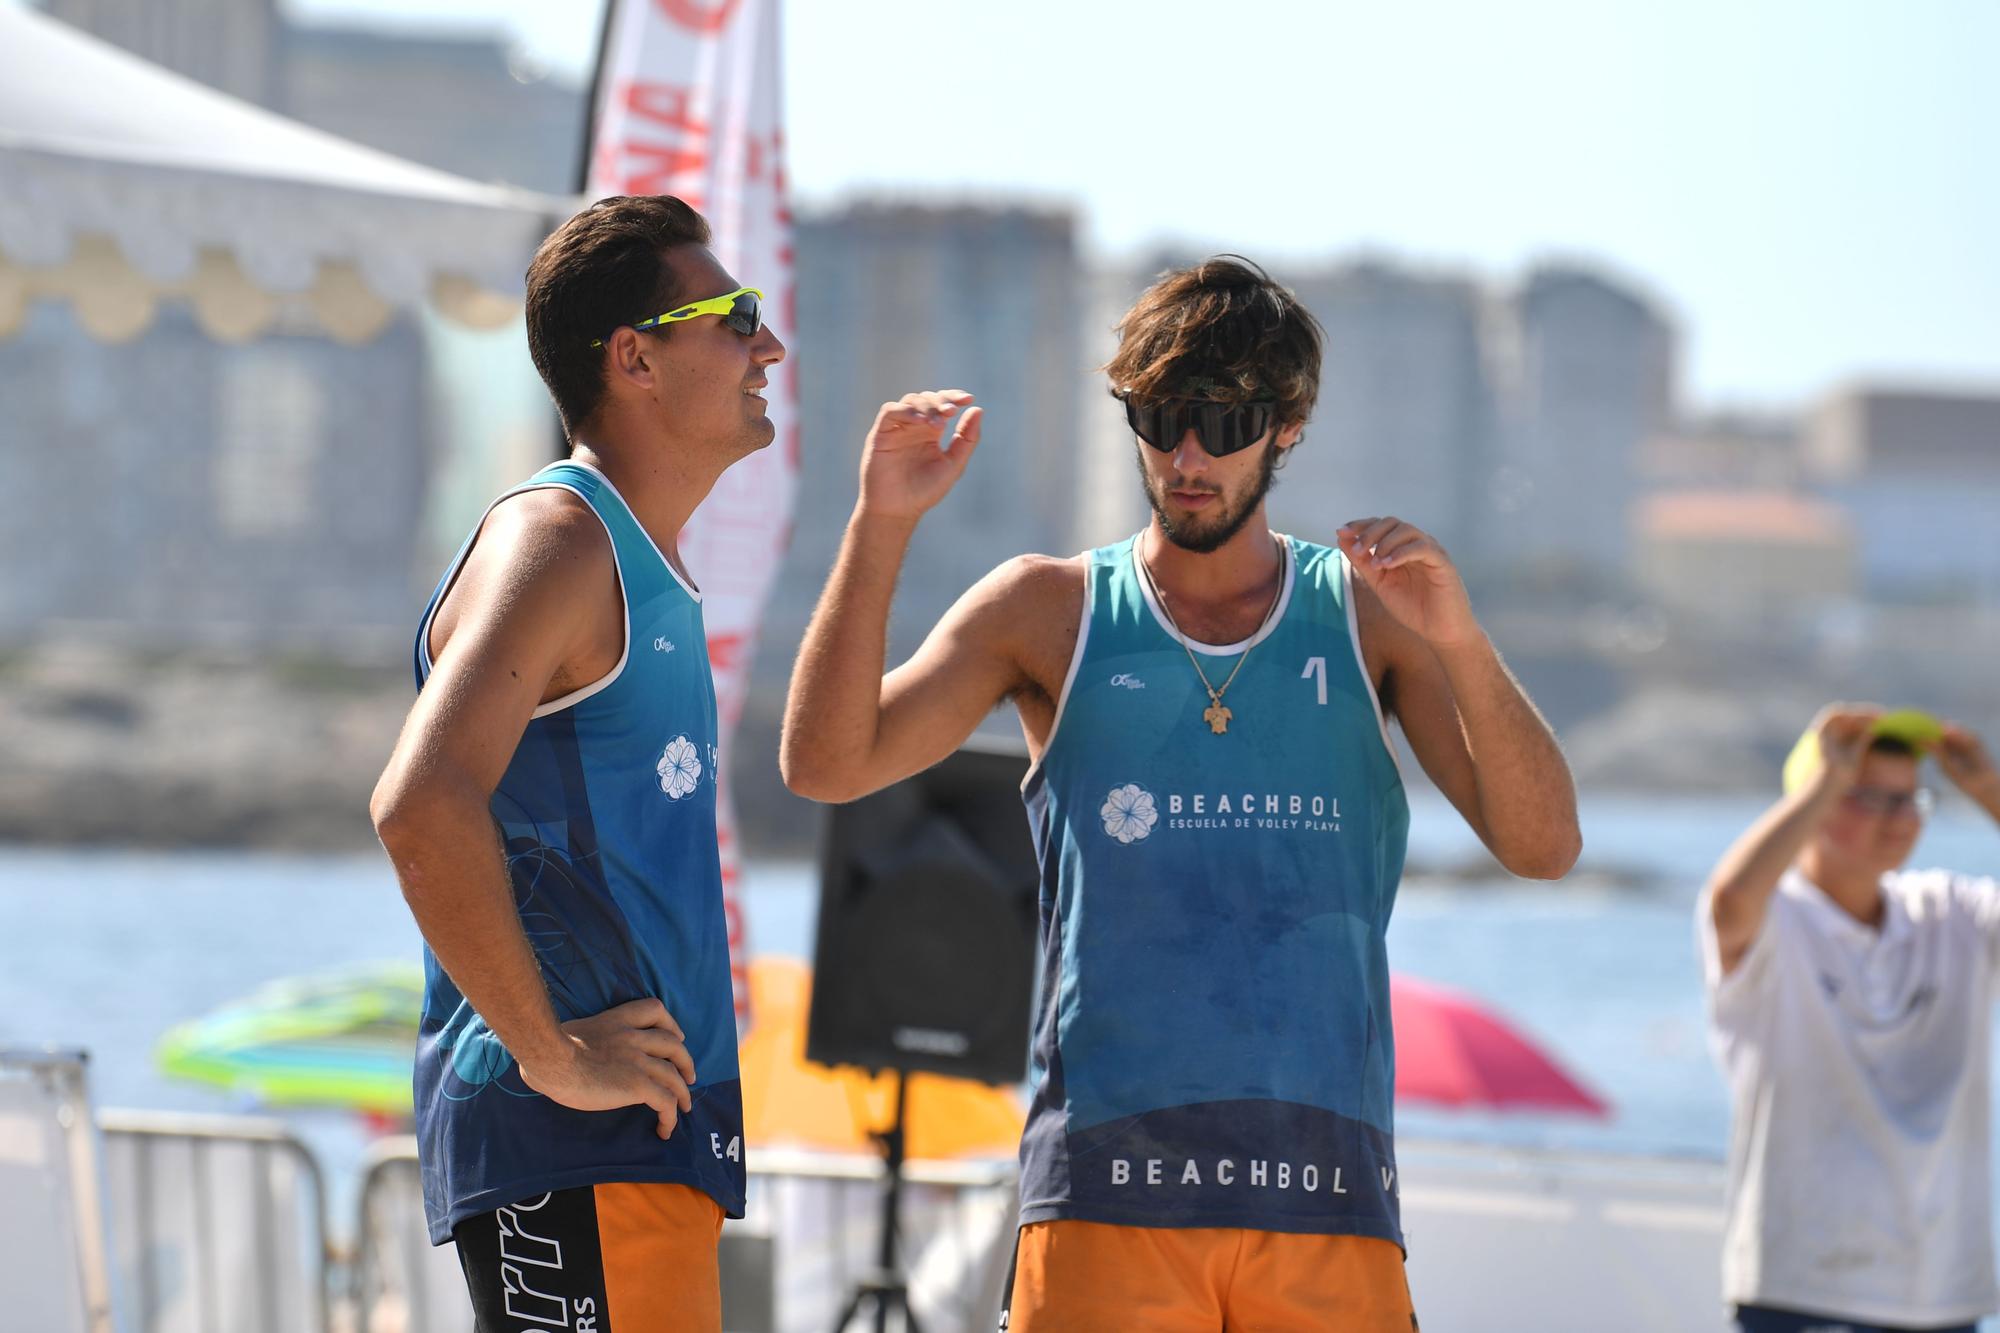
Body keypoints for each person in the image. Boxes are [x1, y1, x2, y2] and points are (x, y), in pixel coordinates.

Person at [781, 256, 1581, 1331]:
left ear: (1286, 423)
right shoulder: (1045, 610)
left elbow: (1541, 846)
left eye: (1222, 418)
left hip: (1325, 1196)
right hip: (1105, 1192)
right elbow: (826, 765)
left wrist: (1459, 637)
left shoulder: (1366, 614)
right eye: (1160, 417)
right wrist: (879, 523)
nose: (1186, 454)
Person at [370, 194, 784, 1331]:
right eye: (734, 316)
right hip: (575, 1146)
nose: (768, 343)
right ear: (633, 358)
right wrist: (550, 1055)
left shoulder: (636, 559)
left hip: (628, 1150)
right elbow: (417, 803)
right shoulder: (560, 537)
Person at [1700, 706, 2000, 1333]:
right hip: (1800, 1290)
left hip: (1942, 1296)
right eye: (1868, 796)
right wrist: (1825, 777)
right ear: (1814, 799)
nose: (1899, 818)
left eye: (1911, 797)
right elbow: (1728, 903)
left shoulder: (1954, 913)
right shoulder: (1777, 918)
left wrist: (1986, 788)